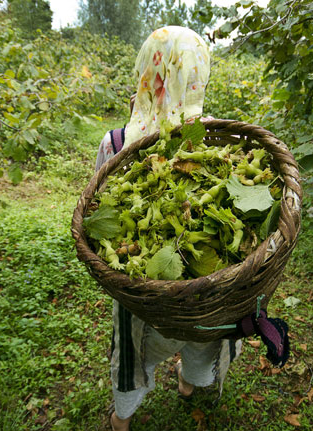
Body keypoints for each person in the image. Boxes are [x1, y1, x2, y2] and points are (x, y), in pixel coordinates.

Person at [93, 26, 242, 431]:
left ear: (146, 71)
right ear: (198, 77)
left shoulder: (117, 142)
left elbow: (95, 213)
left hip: (142, 294)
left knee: (133, 353)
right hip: (208, 294)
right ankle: (188, 385)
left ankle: (121, 420)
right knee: (202, 344)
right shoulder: (215, 136)